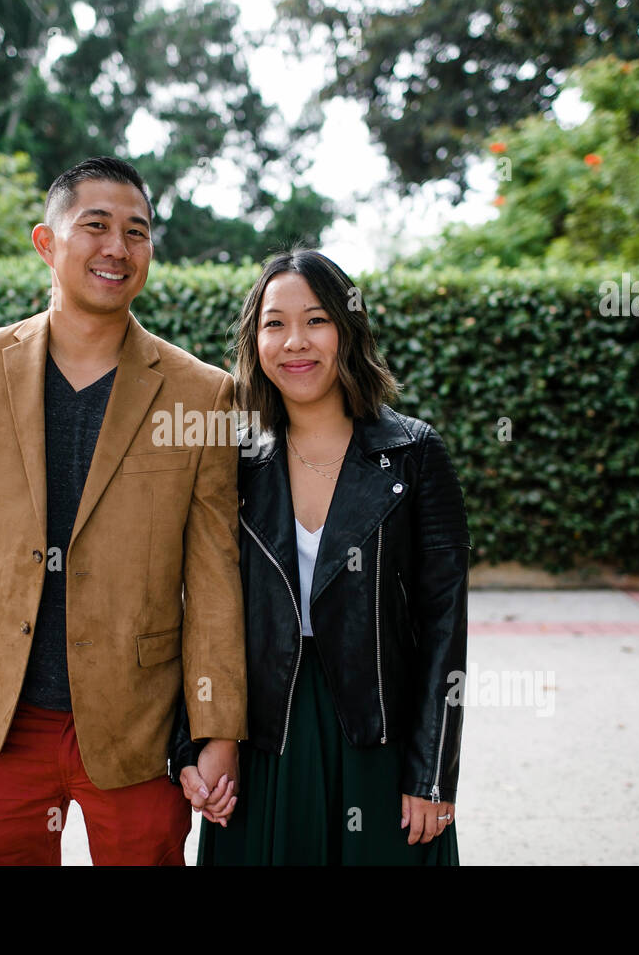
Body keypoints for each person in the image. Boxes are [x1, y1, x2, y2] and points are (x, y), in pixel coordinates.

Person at [0, 156, 246, 865]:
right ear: (46, 242)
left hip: (138, 725)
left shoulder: (201, 394)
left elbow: (215, 573)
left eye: (137, 232)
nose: (118, 248)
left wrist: (218, 729)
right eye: (96, 226)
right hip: (0, 718)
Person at [173, 248, 472, 865]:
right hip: (263, 733)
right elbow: (197, 602)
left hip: (378, 730)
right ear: (255, 341)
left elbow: (445, 625)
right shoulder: (232, 457)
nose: (294, 342)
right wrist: (193, 742)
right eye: (274, 323)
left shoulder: (413, 454)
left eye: (316, 320)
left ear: (347, 328)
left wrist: (432, 774)